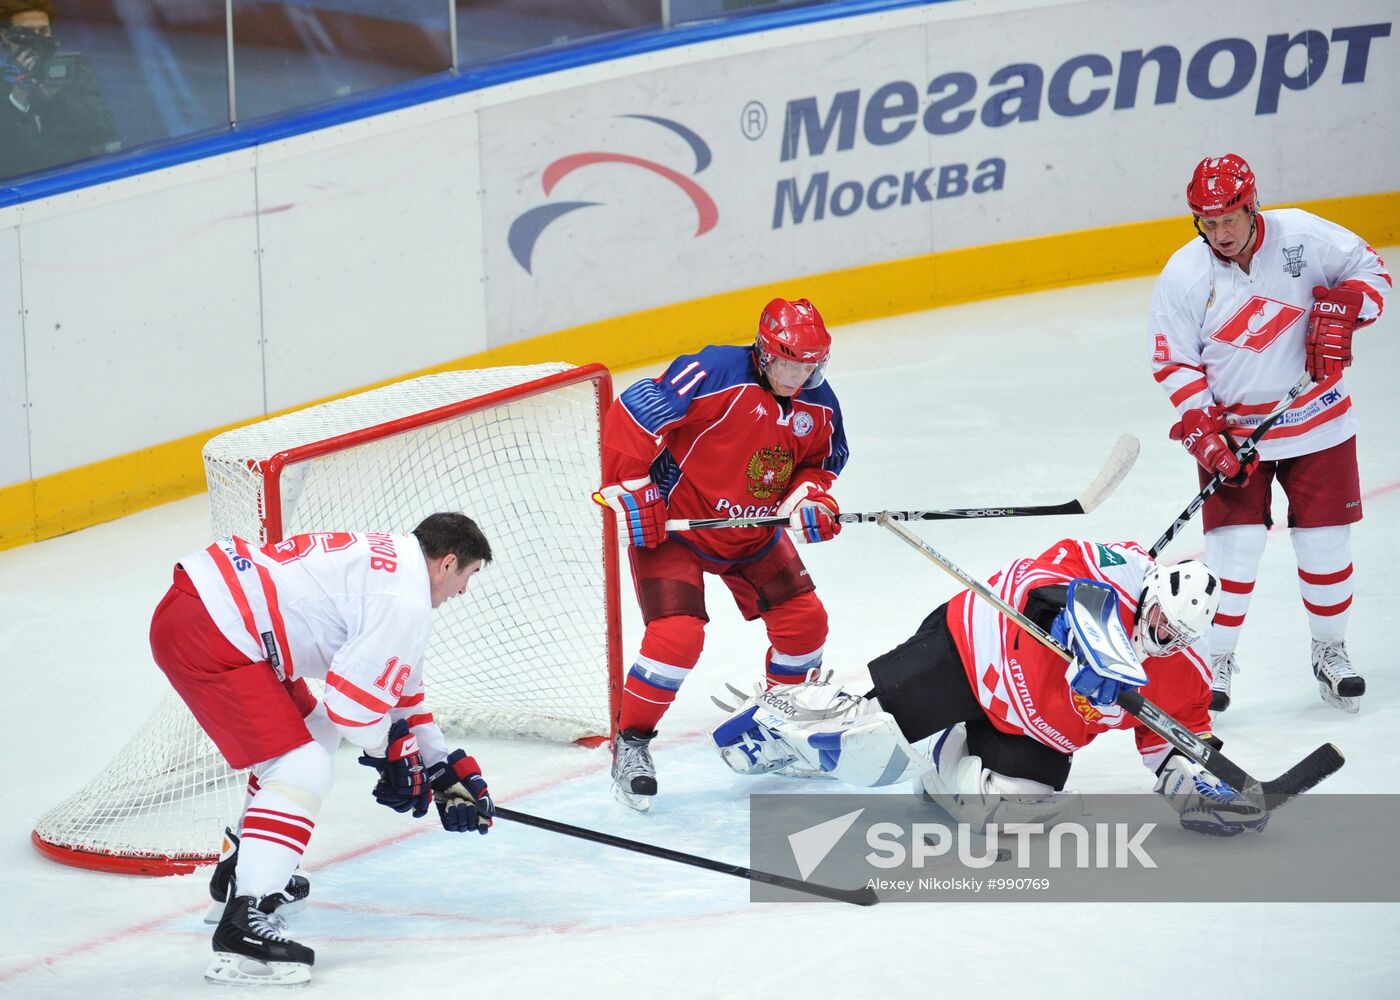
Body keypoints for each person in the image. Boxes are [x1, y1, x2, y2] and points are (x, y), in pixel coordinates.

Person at [712, 538, 1269, 838]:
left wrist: (1192, 784)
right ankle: (781, 715)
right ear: (1150, 593)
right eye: (1162, 624)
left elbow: (1171, 738)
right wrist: (1078, 630)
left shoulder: (1187, 667)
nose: (1165, 640)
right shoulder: (1118, 568)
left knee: (1014, 817)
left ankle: (941, 757)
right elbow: (1035, 577)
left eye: (1179, 637)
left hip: (1037, 730)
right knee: (867, 740)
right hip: (974, 652)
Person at [148, 513, 497, 987]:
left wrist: (440, 768)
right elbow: (353, 708)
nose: (463, 592)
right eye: (468, 576)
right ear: (448, 563)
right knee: (304, 765)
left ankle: (242, 868)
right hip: (213, 629)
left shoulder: (394, 567)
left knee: (312, 731)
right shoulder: (405, 600)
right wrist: (396, 759)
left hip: (208, 611)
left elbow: (400, 696)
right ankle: (244, 917)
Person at [1148, 154, 1390, 714]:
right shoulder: (1185, 275)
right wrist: (1203, 429)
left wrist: (1349, 307)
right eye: (1208, 223)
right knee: (1232, 555)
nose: (1221, 232)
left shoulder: (1304, 234)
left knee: (1325, 545)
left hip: (1320, 421)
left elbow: (1373, 271)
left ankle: (1330, 652)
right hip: (1234, 436)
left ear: (1252, 205)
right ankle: (1215, 661)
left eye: (1230, 217)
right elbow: (1173, 363)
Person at [595, 296, 849, 810]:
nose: (798, 377)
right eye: (788, 364)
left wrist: (808, 501)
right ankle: (632, 742)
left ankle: (777, 728)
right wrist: (634, 486)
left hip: (753, 532)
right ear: (763, 350)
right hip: (677, 529)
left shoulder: (820, 403)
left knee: (806, 624)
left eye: (809, 365)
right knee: (677, 635)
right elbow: (634, 414)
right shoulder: (713, 371)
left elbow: (822, 462)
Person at [0, 0, 117, 179]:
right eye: (27, 34)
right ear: (5, 36)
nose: (38, 41)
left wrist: (59, 96)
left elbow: (105, 131)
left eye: (43, 31)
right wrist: (18, 97)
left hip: (74, 178)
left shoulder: (74, 70)